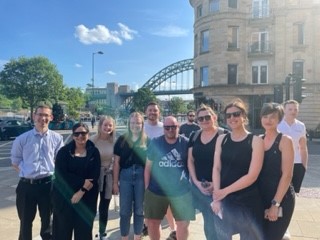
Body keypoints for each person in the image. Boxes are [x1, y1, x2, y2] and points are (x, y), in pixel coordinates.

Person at [211, 98, 265, 240]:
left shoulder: (256, 140)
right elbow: (216, 168)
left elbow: (252, 175)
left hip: (248, 201)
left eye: (236, 114)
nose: (232, 118)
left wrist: (223, 192)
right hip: (225, 201)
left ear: (244, 116)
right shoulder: (222, 139)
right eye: (228, 115)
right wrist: (217, 197)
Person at [11, 101, 64, 240]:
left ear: (51, 117)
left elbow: (60, 162)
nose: (43, 118)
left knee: (47, 223)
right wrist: (28, 173)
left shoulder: (57, 139)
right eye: (40, 114)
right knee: (25, 223)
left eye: (46, 115)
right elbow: (15, 162)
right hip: (26, 187)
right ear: (34, 116)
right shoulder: (22, 139)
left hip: (48, 186)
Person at [144, 116, 195, 240]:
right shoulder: (156, 142)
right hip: (157, 190)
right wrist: (147, 188)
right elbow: (148, 167)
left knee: (183, 224)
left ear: (178, 127)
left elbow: (192, 164)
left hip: (181, 191)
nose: (170, 130)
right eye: (167, 127)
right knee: (152, 223)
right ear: (164, 128)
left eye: (173, 127)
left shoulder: (186, 143)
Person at [52, 122, 101, 240]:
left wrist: (81, 191)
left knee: (83, 232)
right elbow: (61, 175)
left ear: (88, 135)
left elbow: (94, 176)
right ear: (73, 135)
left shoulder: (94, 152)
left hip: (86, 198)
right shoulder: (64, 152)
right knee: (62, 232)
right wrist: (82, 182)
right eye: (77, 134)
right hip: (65, 197)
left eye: (83, 133)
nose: (80, 136)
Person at [187, 104, 226, 240]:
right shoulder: (194, 135)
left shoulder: (224, 135)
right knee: (208, 224)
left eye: (207, 117)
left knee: (222, 226)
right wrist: (196, 182)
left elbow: (229, 163)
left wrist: (215, 185)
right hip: (201, 188)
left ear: (214, 117)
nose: (204, 120)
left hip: (220, 188)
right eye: (200, 118)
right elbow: (190, 160)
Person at [258, 103, 295, 240]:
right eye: (265, 116)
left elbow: (287, 175)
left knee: (272, 237)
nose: (268, 120)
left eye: (273, 117)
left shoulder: (285, 140)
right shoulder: (258, 140)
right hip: (261, 196)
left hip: (281, 197)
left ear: (279, 120)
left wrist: (275, 204)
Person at [143, 102, 176, 240]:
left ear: (159, 112)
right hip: (142, 166)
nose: (152, 112)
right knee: (145, 199)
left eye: (155, 110)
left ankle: (173, 229)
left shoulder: (165, 127)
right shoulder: (140, 126)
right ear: (146, 112)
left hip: (162, 169)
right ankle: (146, 224)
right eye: (150, 110)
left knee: (167, 203)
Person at [113, 112, 149, 240]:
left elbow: (150, 165)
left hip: (141, 176)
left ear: (142, 124)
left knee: (139, 210)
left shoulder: (147, 140)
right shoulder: (122, 140)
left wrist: (148, 183)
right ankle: (124, 237)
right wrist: (114, 183)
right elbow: (116, 163)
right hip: (125, 176)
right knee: (124, 211)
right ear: (129, 124)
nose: (135, 125)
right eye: (132, 122)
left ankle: (137, 236)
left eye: (138, 123)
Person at [90, 116, 116, 240]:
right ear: (100, 126)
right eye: (105, 125)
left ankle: (102, 232)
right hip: (95, 176)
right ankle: (87, 231)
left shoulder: (114, 141)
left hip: (108, 177)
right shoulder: (92, 141)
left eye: (110, 125)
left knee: (104, 207)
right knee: (91, 206)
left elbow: (117, 160)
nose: (107, 128)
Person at [278, 100, 308, 194]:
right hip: (281, 163)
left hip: (297, 163)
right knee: (281, 190)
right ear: (284, 110)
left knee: (292, 193)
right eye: (290, 109)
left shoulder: (301, 126)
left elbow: (303, 147)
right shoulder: (278, 125)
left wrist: (304, 166)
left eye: (295, 109)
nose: (293, 111)